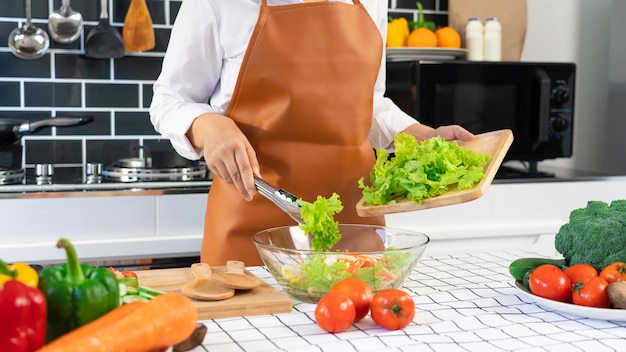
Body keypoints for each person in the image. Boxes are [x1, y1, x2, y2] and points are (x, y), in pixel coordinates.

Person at [149, 0, 474, 266]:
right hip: (250, 222)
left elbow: (368, 101)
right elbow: (170, 100)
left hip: (354, 221)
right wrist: (208, 125)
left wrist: (419, 136)